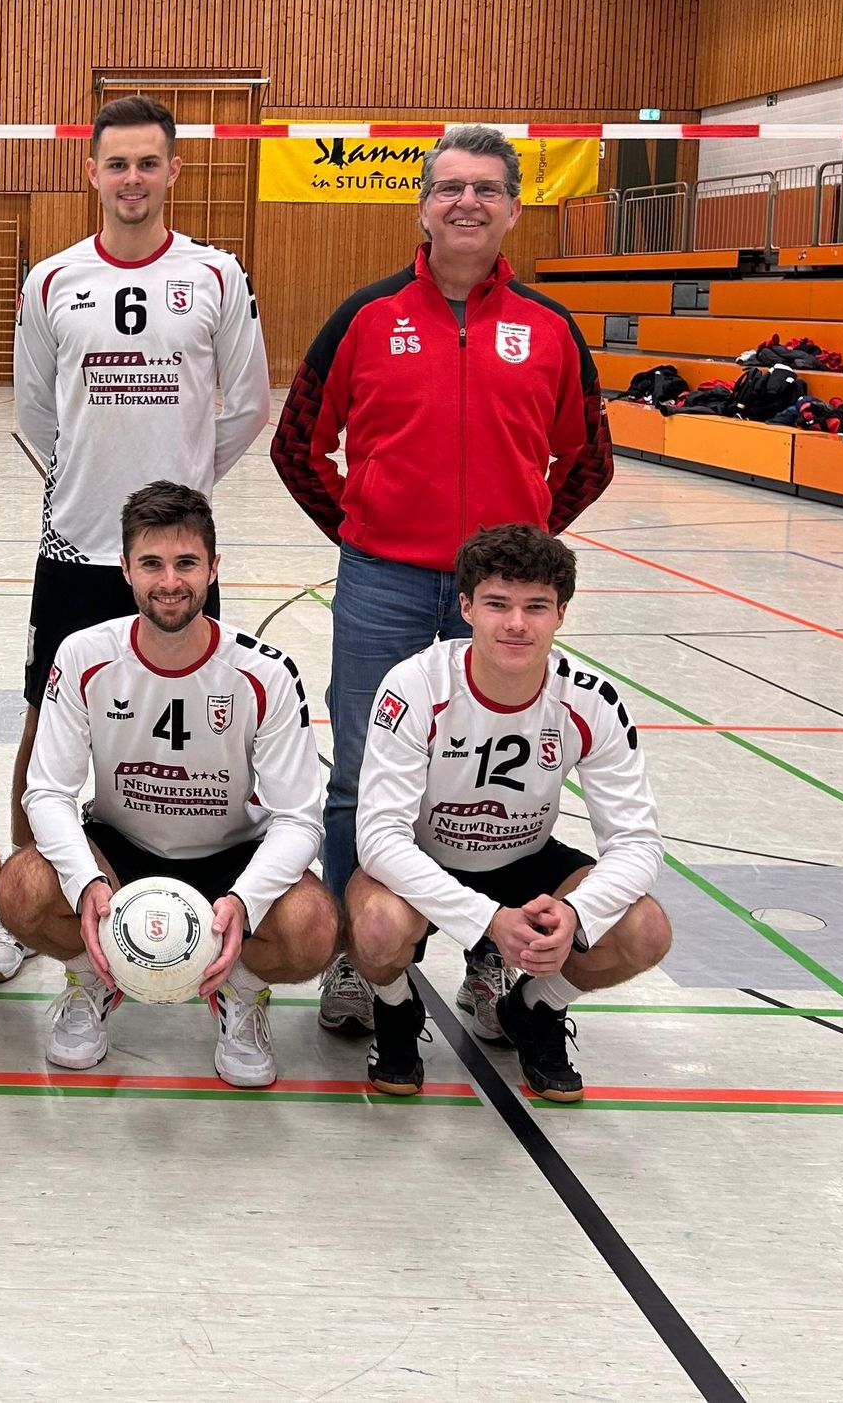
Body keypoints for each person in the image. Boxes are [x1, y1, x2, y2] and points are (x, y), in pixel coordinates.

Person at [271, 124, 612, 1044]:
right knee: (359, 779)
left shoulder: (550, 328)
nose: (467, 202)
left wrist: (518, 556)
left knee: (490, 787)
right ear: (423, 205)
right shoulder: (364, 316)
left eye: (486, 188)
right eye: (451, 187)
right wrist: (361, 527)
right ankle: (359, 955)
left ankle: (490, 955)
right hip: (381, 585)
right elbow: (297, 445)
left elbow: (588, 459)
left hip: (496, 604)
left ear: (513, 208)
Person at [0, 94, 270, 984]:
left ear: (174, 170)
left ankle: (201, 896)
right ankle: (30, 902)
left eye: (148, 162)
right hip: (76, 543)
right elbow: (35, 412)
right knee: (46, 717)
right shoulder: (52, 280)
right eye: (117, 163)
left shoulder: (216, 275)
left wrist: (180, 498)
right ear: (92, 172)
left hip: (175, 557)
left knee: (197, 729)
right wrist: (91, 484)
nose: (133, 178)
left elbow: (247, 404)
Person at [0, 482, 334, 1088]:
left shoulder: (264, 672)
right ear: (125, 569)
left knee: (314, 927)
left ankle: (240, 992)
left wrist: (245, 900)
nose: (170, 582)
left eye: (186, 563)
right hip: (121, 850)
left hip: (231, 856)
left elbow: (300, 818)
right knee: (22, 887)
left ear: (213, 568)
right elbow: (47, 792)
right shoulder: (84, 655)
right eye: (151, 563)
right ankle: (93, 979)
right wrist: (86, 882)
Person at [347, 524, 670, 1104]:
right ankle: (396, 1008)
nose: (516, 623)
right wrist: (488, 919)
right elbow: (378, 838)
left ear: (561, 613)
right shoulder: (416, 685)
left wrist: (576, 913)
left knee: (645, 929)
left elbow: (638, 842)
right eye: (497, 604)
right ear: (466, 607)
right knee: (375, 925)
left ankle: (535, 1008)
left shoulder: (590, 699)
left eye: (536, 606)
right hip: (424, 858)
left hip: (526, 859)